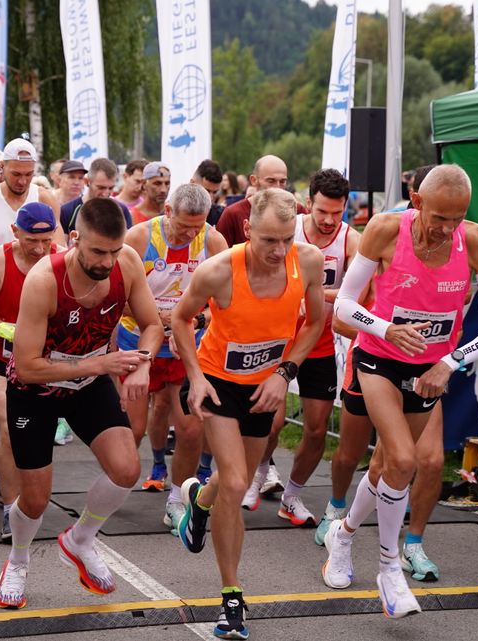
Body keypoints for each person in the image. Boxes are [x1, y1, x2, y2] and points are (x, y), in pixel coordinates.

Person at [329, 164, 478, 618]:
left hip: (430, 369)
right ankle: (389, 569)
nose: (449, 229)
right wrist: (387, 329)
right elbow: (346, 305)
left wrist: (449, 361)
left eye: (458, 218)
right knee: (405, 460)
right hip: (377, 358)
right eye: (440, 218)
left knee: (384, 465)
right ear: (418, 204)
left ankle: (344, 534)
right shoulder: (386, 230)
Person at [0, 198, 163, 610]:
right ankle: (17, 560)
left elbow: (153, 324)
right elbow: (29, 367)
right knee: (34, 499)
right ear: (73, 239)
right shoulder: (44, 280)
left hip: (88, 383)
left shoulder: (127, 265)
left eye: (113, 250)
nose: (106, 261)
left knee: (126, 468)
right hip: (36, 391)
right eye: (97, 251)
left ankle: (81, 539)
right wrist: (101, 362)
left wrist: (142, 364)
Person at [172, 188, 325, 640]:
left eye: (287, 240)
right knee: (237, 482)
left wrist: (284, 373)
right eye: (269, 241)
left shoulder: (308, 261)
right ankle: (231, 596)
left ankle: (200, 500)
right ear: (248, 230)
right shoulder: (219, 271)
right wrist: (196, 377)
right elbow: (181, 319)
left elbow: (314, 323)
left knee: (231, 476)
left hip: (265, 384)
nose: (279, 251)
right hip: (218, 381)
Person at [244, 170, 360, 527]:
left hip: (319, 341)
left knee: (315, 428)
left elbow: (355, 294)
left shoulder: (350, 241)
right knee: (271, 420)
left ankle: (292, 496)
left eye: (336, 213)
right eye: (322, 211)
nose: (328, 220)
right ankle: (258, 473)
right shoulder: (286, 230)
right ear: (308, 204)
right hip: (276, 341)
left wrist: (311, 293)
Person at [118, 184, 228, 533]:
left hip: (186, 345)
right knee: (132, 428)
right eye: (184, 226)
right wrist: (157, 318)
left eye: (197, 227)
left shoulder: (212, 242)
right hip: (137, 339)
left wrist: (194, 321)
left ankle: (176, 502)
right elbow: (113, 297)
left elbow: (224, 301)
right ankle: (113, 486)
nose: (190, 233)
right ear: (167, 211)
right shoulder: (137, 239)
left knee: (191, 428)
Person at [0, 202, 60, 541]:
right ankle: (11, 510)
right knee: (8, 429)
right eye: (31, 242)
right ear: (15, 232)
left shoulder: (62, 260)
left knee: (36, 433)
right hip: (0, 359)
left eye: (46, 242)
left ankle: (9, 485)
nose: (38, 250)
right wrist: (5, 329)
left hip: (45, 363)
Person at [0, 138, 62, 269]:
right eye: (16, 174)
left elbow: (60, 251)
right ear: (1, 167)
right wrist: (14, 261)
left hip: (38, 284)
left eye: (28, 174)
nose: (22, 181)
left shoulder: (45, 199)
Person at [216, 156, 307, 247]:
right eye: (271, 181)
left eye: (282, 182)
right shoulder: (233, 214)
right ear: (254, 180)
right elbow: (219, 257)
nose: (277, 187)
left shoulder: (297, 210)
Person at [59, 158, 133, 233]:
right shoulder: (67, 211)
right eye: (101, 188)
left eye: (111, 188)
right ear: (87, 182)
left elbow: (128, 242)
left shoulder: (122, 210)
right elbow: (62, 243)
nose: (105, 193)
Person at [191, 159, 225, 225]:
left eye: (215, 192)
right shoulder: (176, 212)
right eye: (206, 191)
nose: (210, 197)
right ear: (192, 183)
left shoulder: (222, 216)